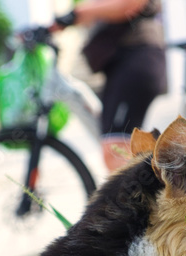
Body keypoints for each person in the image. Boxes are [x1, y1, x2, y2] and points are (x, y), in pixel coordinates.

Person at [51, 0, 167, 171]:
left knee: (116, 148)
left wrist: (78, 11)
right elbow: (101, 9)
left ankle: (148, 196)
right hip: (120, 65)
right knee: (118, 146)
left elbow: (128, 5)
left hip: (136, 59)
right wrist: (52, 26)